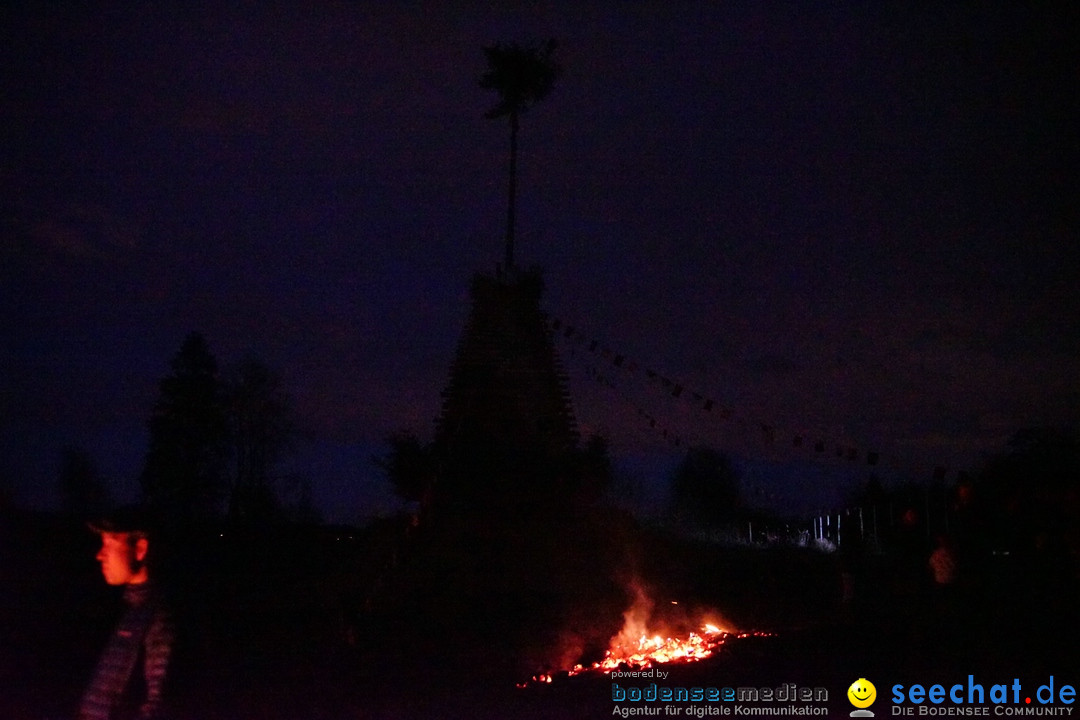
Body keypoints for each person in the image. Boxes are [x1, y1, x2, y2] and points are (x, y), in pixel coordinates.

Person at [79, 506, 174, 720]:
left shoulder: (159, 618)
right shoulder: (118, 609)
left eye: (110, 544)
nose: (100, 555)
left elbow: (158, 704)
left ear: (140, 549)